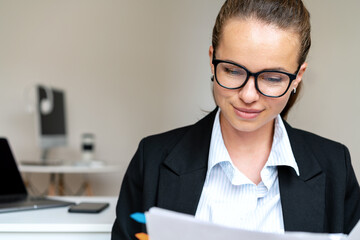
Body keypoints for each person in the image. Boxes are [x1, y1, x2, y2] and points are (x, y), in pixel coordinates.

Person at [111, 0, 360, 239]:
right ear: (212, 60)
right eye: (232, 70)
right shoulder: (152, 160)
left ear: (297, 77)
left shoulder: (335, 166)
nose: (248, 95)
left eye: (273, 78)